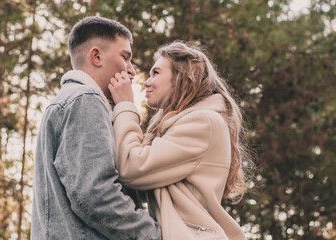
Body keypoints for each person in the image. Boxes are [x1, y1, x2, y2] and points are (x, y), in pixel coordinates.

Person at [31, 16, 161, 240]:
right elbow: (95, 195)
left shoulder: (66, 101)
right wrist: (155, 234)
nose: (131, 70)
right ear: (97, 56)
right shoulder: (86, 99)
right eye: (125, 57)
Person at [109, 41, 252, 239]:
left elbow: (132, 166)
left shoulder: (203, 122)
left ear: (182, 78)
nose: (146, 82)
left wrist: (125, 105)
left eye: (156, 73)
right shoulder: (184, 124)